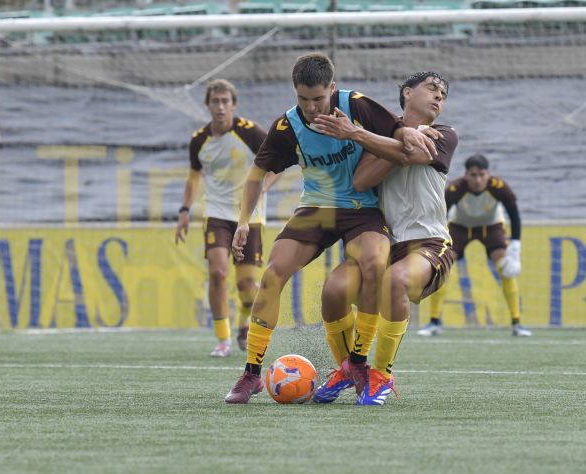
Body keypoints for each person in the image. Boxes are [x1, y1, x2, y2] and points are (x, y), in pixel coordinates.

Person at [224, 53, 436, 404]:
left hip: (362, 209)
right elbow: (256, 174)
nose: (310, 107)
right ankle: (251, 374)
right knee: (274, 273)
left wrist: (409, 134)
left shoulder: (356, 105)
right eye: (303, 99)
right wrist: (244, 221)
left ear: (332, 89)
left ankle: (357, 363)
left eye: (318, 99)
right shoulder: (287, 126)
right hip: (317, 209)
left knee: (373, 265)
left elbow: (396, 131)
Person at [312, 71, 458, 405]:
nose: (440, 96)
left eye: (444, 94)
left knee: (395, 281)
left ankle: (382, 375)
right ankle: (348, 369)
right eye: (433, 88)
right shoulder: (379, 133)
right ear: (407, 93)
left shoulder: (446, 134)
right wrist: (401, 139)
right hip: (385, 245)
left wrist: (362, 135)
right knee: (334, 289)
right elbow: (362, 180)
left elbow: (416, 155)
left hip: (430, 244)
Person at [175, 79, 277, 357]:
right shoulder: (199, 140)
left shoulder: (251, 132)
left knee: (246, 284)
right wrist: (184, 210)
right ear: (207, 105)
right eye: (215, 101)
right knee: (218, 273)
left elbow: (279, 160)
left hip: (250, 215)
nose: (220, 107)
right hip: (217, 213)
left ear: (233, 104)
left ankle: (245, 322)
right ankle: (223, 339)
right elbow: (194, 176)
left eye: (225, 101)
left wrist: (264, 186)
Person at [420, 154, 532, 337]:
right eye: (473, 175)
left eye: (482, 174)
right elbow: (440, 216)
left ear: (488, 173)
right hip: (459, 227)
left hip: (491, 226)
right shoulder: (456, 188)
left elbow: (514, 215)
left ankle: (517, 323)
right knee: (442, 268)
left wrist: (515, 248)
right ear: (466, 175)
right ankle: (434, 322)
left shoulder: (499, 187)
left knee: (506, 269)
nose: (478, 180)